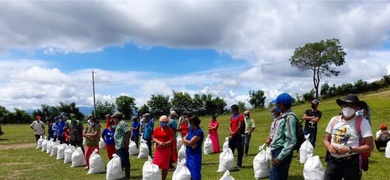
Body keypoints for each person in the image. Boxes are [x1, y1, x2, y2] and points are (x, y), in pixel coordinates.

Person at [323, 94, 373, 180]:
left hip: (351, 163)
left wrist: (348, 149)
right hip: (333, 162)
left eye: (351, 105)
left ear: (357, 108)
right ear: (341, 106)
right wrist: (329, 146)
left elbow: (370, 146)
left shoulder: (362, 122)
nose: (347, 107)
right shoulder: (334, 120)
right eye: (345, 104)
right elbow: (326, 139)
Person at [269, 93, 298, 180]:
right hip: (278, 151)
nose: (276, 106)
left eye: (277, 104)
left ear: (281, 105)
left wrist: (280, 157)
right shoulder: (284, 117)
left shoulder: (289, 117)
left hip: (281, 152)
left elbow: (291, 140)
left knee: (276, 177)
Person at [152, 115, 174, 180]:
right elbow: (153, 137)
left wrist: (163, 144)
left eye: (163, 122)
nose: (162, 123)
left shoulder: (170, 130)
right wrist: (159, 143)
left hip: (166, 150)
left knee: (165, 167)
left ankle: (163, 179)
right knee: (156, 165)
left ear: (167, 122)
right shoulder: (157, 129)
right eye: (161, 122)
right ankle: (157, 178)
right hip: (158, 150)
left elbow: (172, 141)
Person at [183, 116, 204, 180]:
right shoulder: (191, 130)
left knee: (195, 171)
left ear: (192, 123)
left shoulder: (199, 132)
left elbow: (190, 142)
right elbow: (184, 139)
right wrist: (189, 144)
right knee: (189, 171)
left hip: (195, 155)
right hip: (189, 153)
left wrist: (188, 142)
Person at [113, 112, 131, 179]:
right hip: (118, 145)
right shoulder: (119, 124)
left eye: (114, 118)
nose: (113, 119)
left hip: (122, 145)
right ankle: (121, 175)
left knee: (125, 160)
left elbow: (128, 131)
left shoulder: (122, 123)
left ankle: (127, 176)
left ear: (117, 118)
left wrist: (126, 141)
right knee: (121, 161)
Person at [228, 104, 244, 169]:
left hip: (237, 136)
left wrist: (233, 133)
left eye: (232, 110)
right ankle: (230, 164)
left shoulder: (240, 116)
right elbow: (229, 125)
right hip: (232, 135)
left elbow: (239, 126)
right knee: (230, 150)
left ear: (235, 110)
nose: (232, 111)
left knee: (239, 150)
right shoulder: (232, 117)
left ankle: (239, 164)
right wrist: (231, 132)